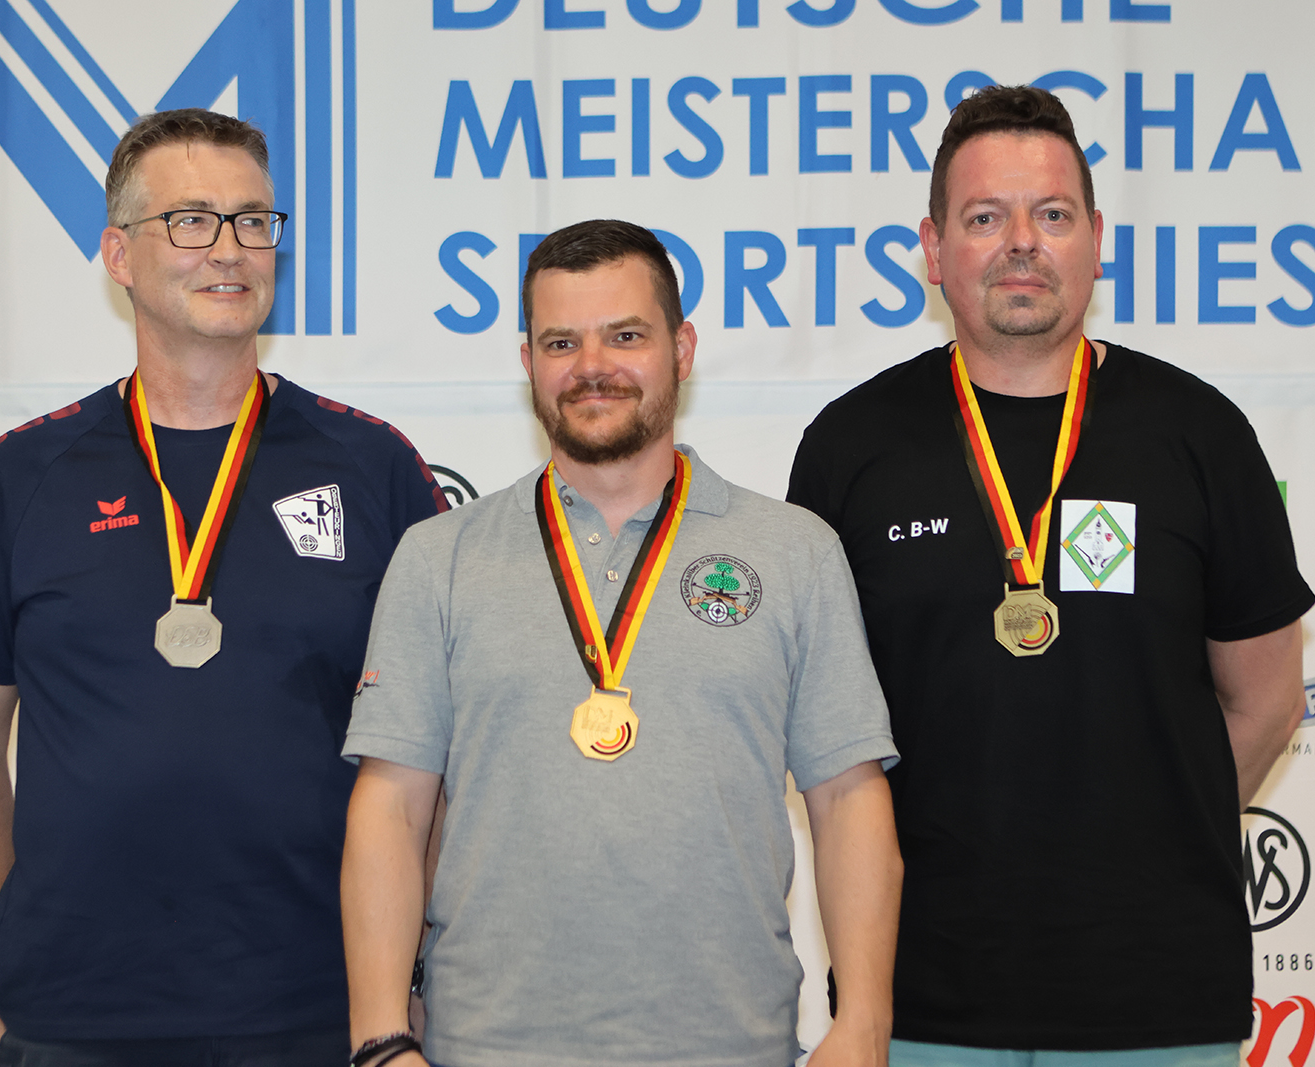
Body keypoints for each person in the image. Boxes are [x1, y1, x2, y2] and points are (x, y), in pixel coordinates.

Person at [788, 86, 1315, 1066]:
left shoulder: (1200, 434)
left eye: (1053, 214)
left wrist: (1147, 841)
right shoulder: (849, 448)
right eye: (985, 217)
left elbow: (1267, 700)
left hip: (1156, 1004)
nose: (1022, 243)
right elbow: (825, 736)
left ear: (1096, 239)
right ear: (934, 247)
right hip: (917, 1002)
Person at [0, 108, 446, 1067]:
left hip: (325, 1007)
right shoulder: (23, 476)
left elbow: (437, 751)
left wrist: (405, 979)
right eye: (191, 220)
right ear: (119, 254)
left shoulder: (375, 468)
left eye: (254, 221)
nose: (230, 248)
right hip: (77, 1018)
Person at [339, 219, 903, 1067]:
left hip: (729, 1048)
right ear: (527, 360)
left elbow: (848, 797)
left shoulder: (795, 552)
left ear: (683, 349)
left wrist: (862, 1021)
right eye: (561, 341)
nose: (592, 366)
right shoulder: (440, 557)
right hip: (487, 1048)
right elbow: (391, 807)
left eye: (626, 336)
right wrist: (381, 1039)